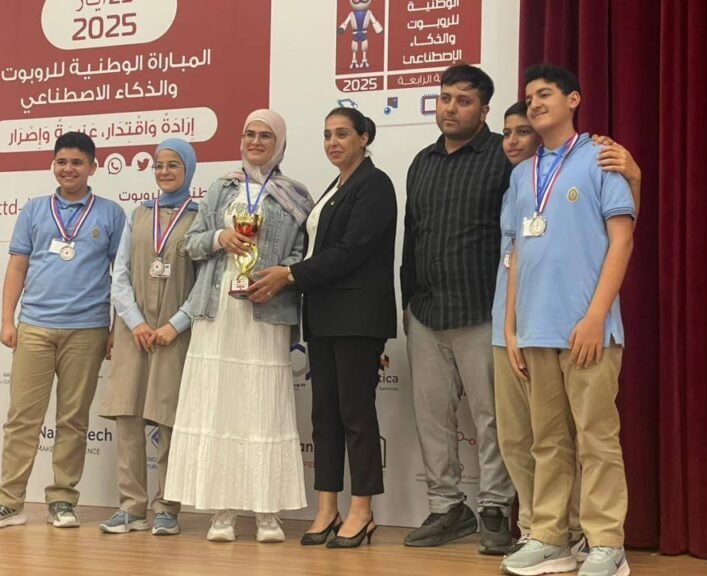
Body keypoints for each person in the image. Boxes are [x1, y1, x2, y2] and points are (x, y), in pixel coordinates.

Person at [500, 65, 635, 576]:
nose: (534, 103)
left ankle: (606, 543)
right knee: (547, 440)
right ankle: (551, 537)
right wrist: (512, 328)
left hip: (588, 329)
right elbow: (516, 253)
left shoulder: (601, 158)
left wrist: (596, 315)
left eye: (545, 94)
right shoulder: (522, 174)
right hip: (536, 329)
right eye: (529, 97)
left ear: (573, 99)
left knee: (596, 438)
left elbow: (622, 240)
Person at [164, 109, 313, 543]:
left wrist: (281, 276)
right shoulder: (220, 188)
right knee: (219, 406)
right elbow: (190, 245)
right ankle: (223, 511)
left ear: (280, 144)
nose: (256, 142)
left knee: (264, 408)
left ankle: (267, 512)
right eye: (249, 134)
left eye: (266, 135)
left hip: (266, 308)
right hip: (218, 311)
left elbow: (303, 254)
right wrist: (219, 238)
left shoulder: (295, 194)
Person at [253, 108, 397, 548]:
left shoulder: (375, 184)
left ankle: (362, 511)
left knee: (356, 414)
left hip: (357, 318)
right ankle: (327, 507)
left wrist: (290, 274)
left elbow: (353, 250)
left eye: (343, 134)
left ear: (364, 138)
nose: (333, 142)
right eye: (327, 135)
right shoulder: (335, 187)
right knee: (325, 418)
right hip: (323, 316)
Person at [0, 132, 125, 529]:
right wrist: (7, 320)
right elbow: (17, 266)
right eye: (61, 162)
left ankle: (62, 500)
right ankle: (8, 501)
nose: (68, 169)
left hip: (88, 330)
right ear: (53, 165)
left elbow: (121, 277)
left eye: (77, 162)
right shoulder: (35, 210)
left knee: (73, 419)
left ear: (93, 167)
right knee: (23, 418)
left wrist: (115, 329)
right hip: (35, 327)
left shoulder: (111, 213)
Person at [399, 64, 516, 554]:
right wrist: (407, 302)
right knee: (432, 418)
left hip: (483, 309)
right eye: (445, 98)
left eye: (463, 101)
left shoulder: (503, 157)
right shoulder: (422, 162)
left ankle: (496, 509)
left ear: (484, 110)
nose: (450, 108)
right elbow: (413, 237)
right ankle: (447, 507)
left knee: (493, 418)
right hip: (426, 311)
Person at [98, 139, 200, 536]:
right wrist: (136, 321)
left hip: (174, 333)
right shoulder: (139, 214)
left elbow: (204, 283)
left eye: (173, 165)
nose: (164, 172)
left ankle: (167, 508)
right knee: (128, 416)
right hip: (134, 332)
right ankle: (131, 507)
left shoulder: (200, 217)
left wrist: (177, 322)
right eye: (159, 165)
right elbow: (120, 274)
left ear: (188, 169)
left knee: (168, 418)